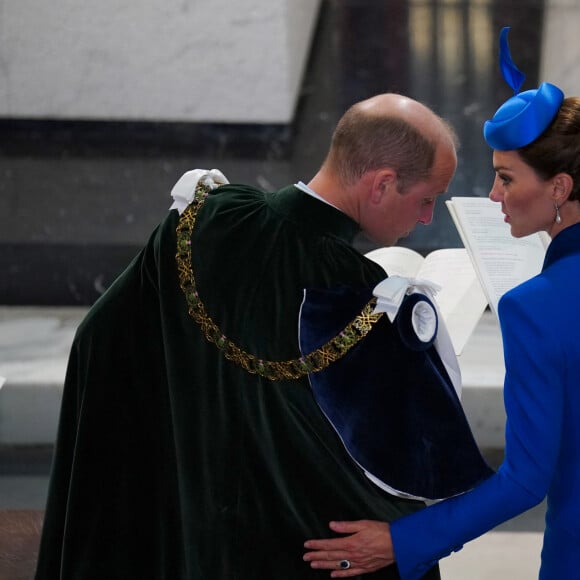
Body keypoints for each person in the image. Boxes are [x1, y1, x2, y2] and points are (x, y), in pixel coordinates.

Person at [35, 92, 469, 580]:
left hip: (190, 527)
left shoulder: (205, 219)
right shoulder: (366, 301)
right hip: (303, 551)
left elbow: (101, 336)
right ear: (382, 184)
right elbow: (420, 474)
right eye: (427, 200)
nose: (427, 218)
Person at [303, 27, 580, 579]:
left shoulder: (535, 308)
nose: (494, 195)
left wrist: (402, 541)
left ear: (559, 188)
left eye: (505, 178)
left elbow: (526, 479)